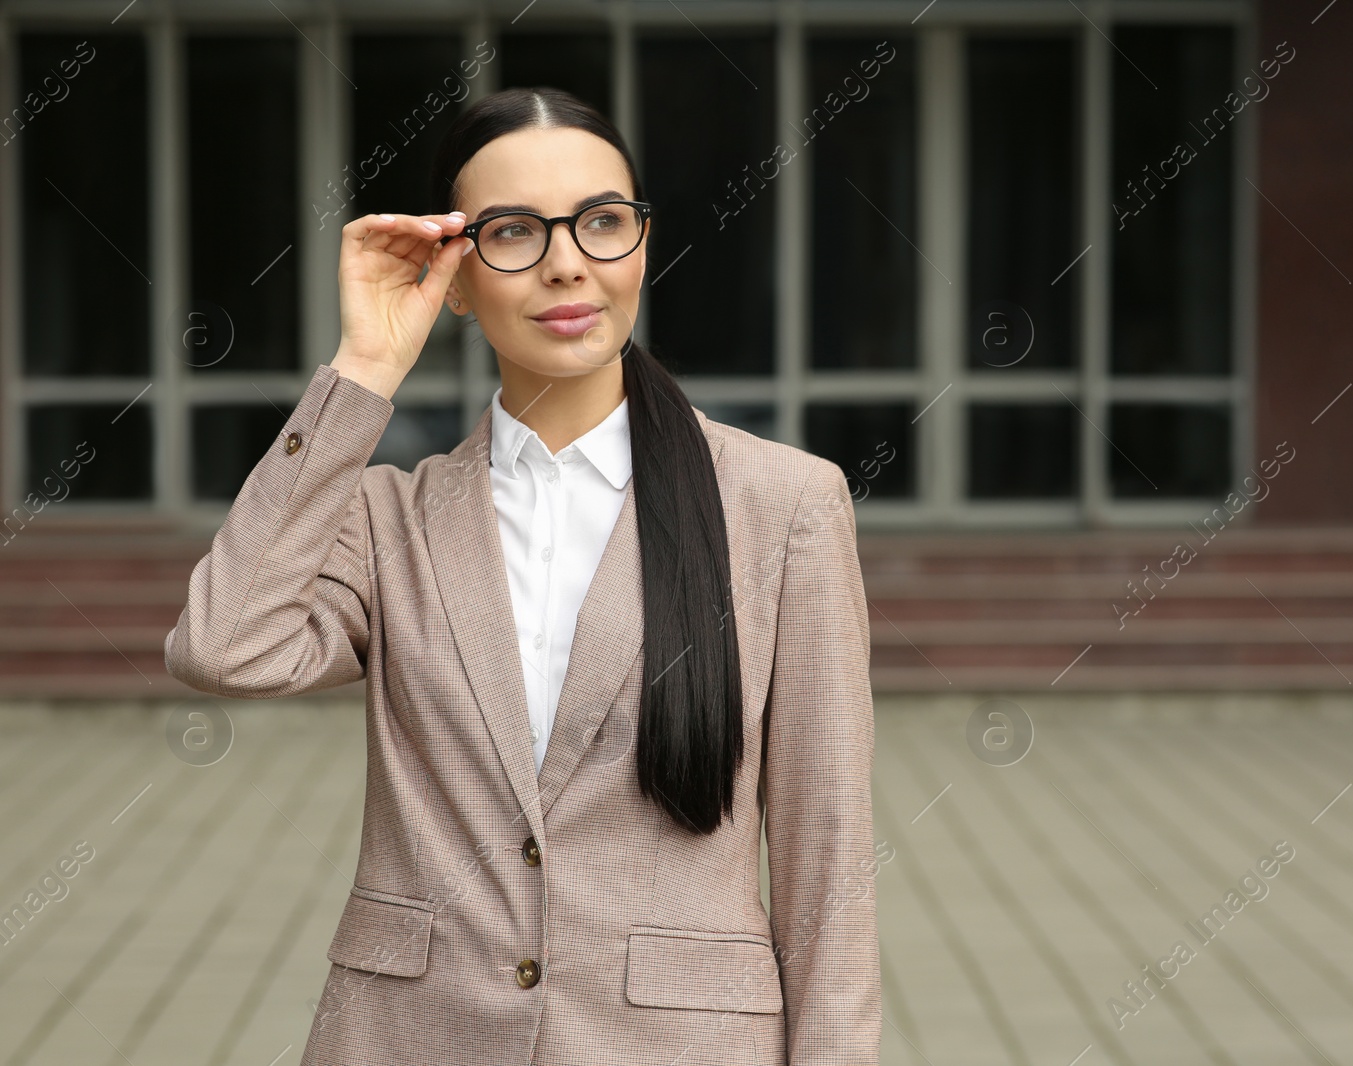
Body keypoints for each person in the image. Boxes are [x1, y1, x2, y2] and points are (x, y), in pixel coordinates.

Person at [165, 86, 881, 1065]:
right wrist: (363, 369)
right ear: (452, 276)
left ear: (640, 241)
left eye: (600, 222)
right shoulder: (388, 519)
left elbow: (826, 858)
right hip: (413, 1036)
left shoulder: (782, 503)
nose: (565, 264)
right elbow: (222, 646)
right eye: (512, 232)